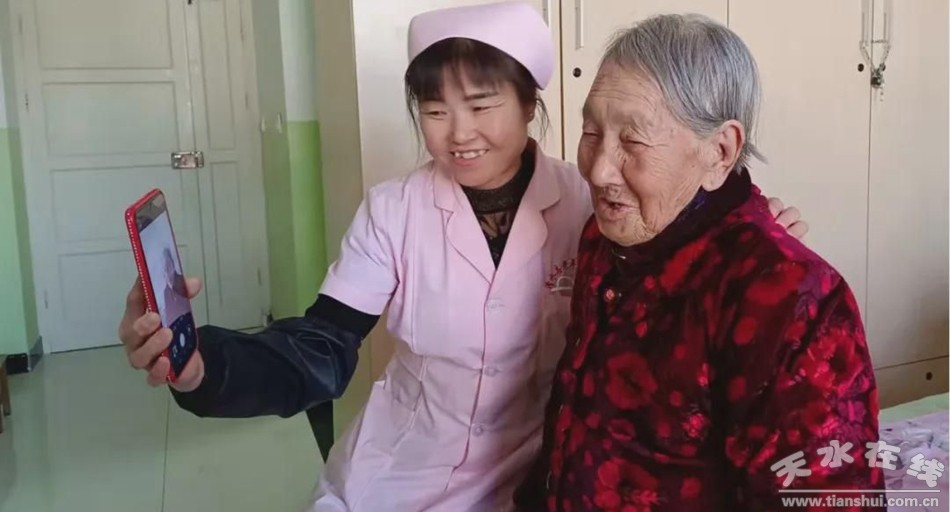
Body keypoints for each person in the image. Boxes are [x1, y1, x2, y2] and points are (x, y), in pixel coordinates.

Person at [117, 3, 808, 510]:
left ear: (529, 103)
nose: (458, 133)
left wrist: (750, 230)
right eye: (434, 110)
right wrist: (202, 366)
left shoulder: (587, 203)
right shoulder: (395, 210)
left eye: (482, 105)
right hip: (393, 478)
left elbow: (679, 244)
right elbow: (323, 346)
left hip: (525, 483)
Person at [512, 14, 881, 512]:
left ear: (720, 151)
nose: (598, 171)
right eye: (591, 131)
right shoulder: (607, 233)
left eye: (633, 141)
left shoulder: (790, 301)